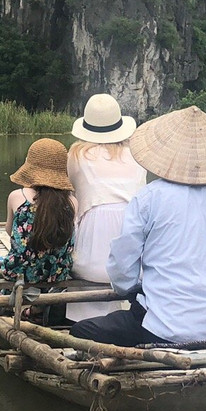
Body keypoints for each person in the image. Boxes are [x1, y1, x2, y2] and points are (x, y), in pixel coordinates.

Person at [70, 106, 206, 346]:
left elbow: (122, 272)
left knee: (82, 330)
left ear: (167, 155)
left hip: (161, 329)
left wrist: (139, 287)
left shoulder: (149, 198)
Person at [66, 94, 147, 323]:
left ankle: (82, 322)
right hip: (135, 260)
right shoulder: (138, 155)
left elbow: (71, 195)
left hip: (91, 260)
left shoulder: (77, 154)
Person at [2, 138, 78, 286]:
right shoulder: (72, 202)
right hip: (57, 273)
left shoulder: (17, 197)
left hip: (20, 273)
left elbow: (9, 230)